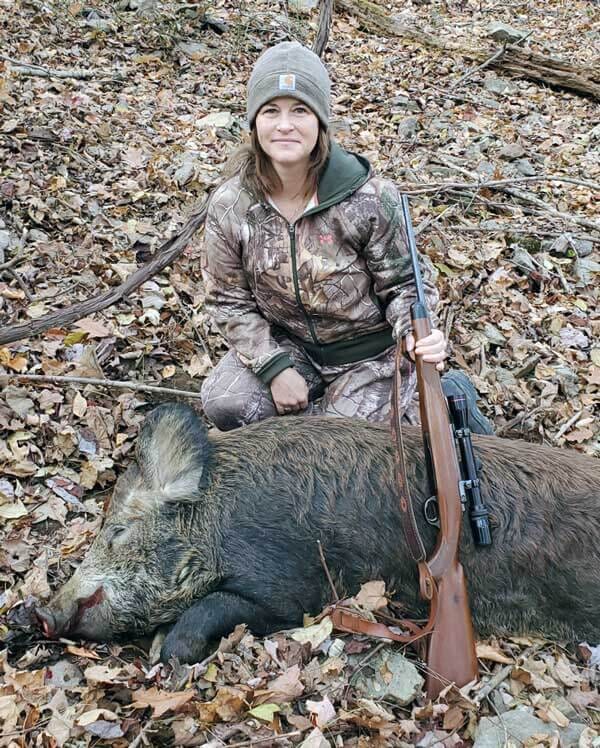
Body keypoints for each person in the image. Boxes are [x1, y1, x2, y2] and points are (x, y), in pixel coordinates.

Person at [200, 41, 493, 434]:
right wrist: (274, 367)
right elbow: (227, 299)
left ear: (320, 122)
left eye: (300, 110)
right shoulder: (230, 205)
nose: (285, 124)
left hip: (369, 354)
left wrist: (414, 336)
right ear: (254, 124)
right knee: (226, 403)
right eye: (271, 111)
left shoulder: (371, 198)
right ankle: (363, 413)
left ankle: (432, 398)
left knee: (333, 446)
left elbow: (406, 286)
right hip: (292, 346)